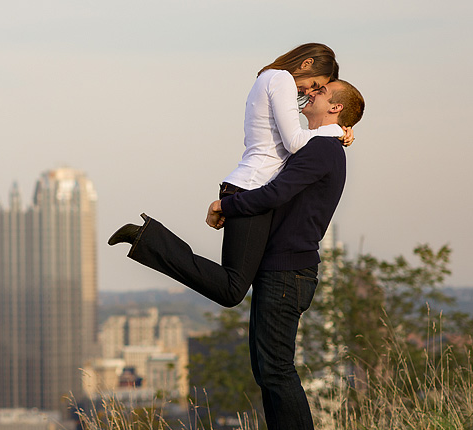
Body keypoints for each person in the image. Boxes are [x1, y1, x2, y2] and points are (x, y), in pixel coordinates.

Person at [108, 43, 352, 306]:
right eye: (315, 83)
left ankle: (148, 239)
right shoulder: (281, 79)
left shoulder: (268, 79)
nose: (309, 91)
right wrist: (335, 131)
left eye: (317, 89)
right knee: (232, 288)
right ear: (307, 64)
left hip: (247, 187)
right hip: (252, 187)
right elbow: (294, 142)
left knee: (232, 288)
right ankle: (147, 239)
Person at [204, 79, 365, 430]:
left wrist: (226, 206)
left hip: (287, 273)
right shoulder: (323, 145)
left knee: (276, 370)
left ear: (335, 108)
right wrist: (341, 130)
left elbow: (275, 193)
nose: (311, 94)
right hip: (282, 272)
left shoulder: (322, 150)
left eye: (321, 92)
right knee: (268, 372)